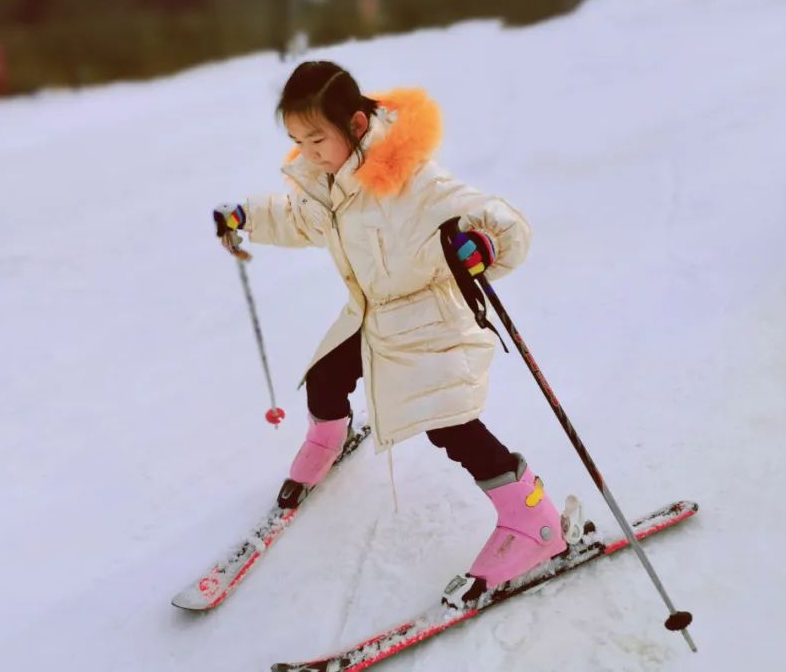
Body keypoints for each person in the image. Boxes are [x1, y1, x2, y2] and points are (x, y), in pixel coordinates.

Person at [212, 61, 569, 605]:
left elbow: (501, 221)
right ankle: (327, 438)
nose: (306, 152)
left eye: (315, 138)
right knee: (325, 379)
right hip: (375, 313)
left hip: (429, 322)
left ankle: (536, 524)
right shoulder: (327, 180)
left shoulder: (412, 179)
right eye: (295, 140)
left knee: (450, 427)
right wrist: (246, 216)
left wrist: (488, 244)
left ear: (356, 125)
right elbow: (298, 216)